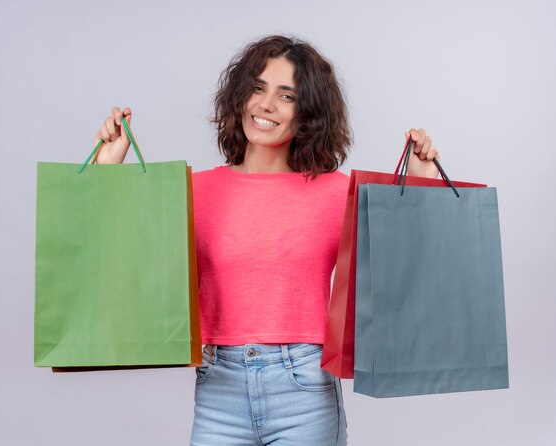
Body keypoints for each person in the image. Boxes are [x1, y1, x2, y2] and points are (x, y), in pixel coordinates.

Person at [91, 35, 440, 446]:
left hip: (304, 388)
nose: (266, 105)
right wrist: (107, 173)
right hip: (218, 388)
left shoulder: (334, 193)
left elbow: (404, 267)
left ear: (307, 114)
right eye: (258, 88)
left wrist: (422, 184)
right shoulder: (193, 191)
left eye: (286, 96)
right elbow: (126, 259)